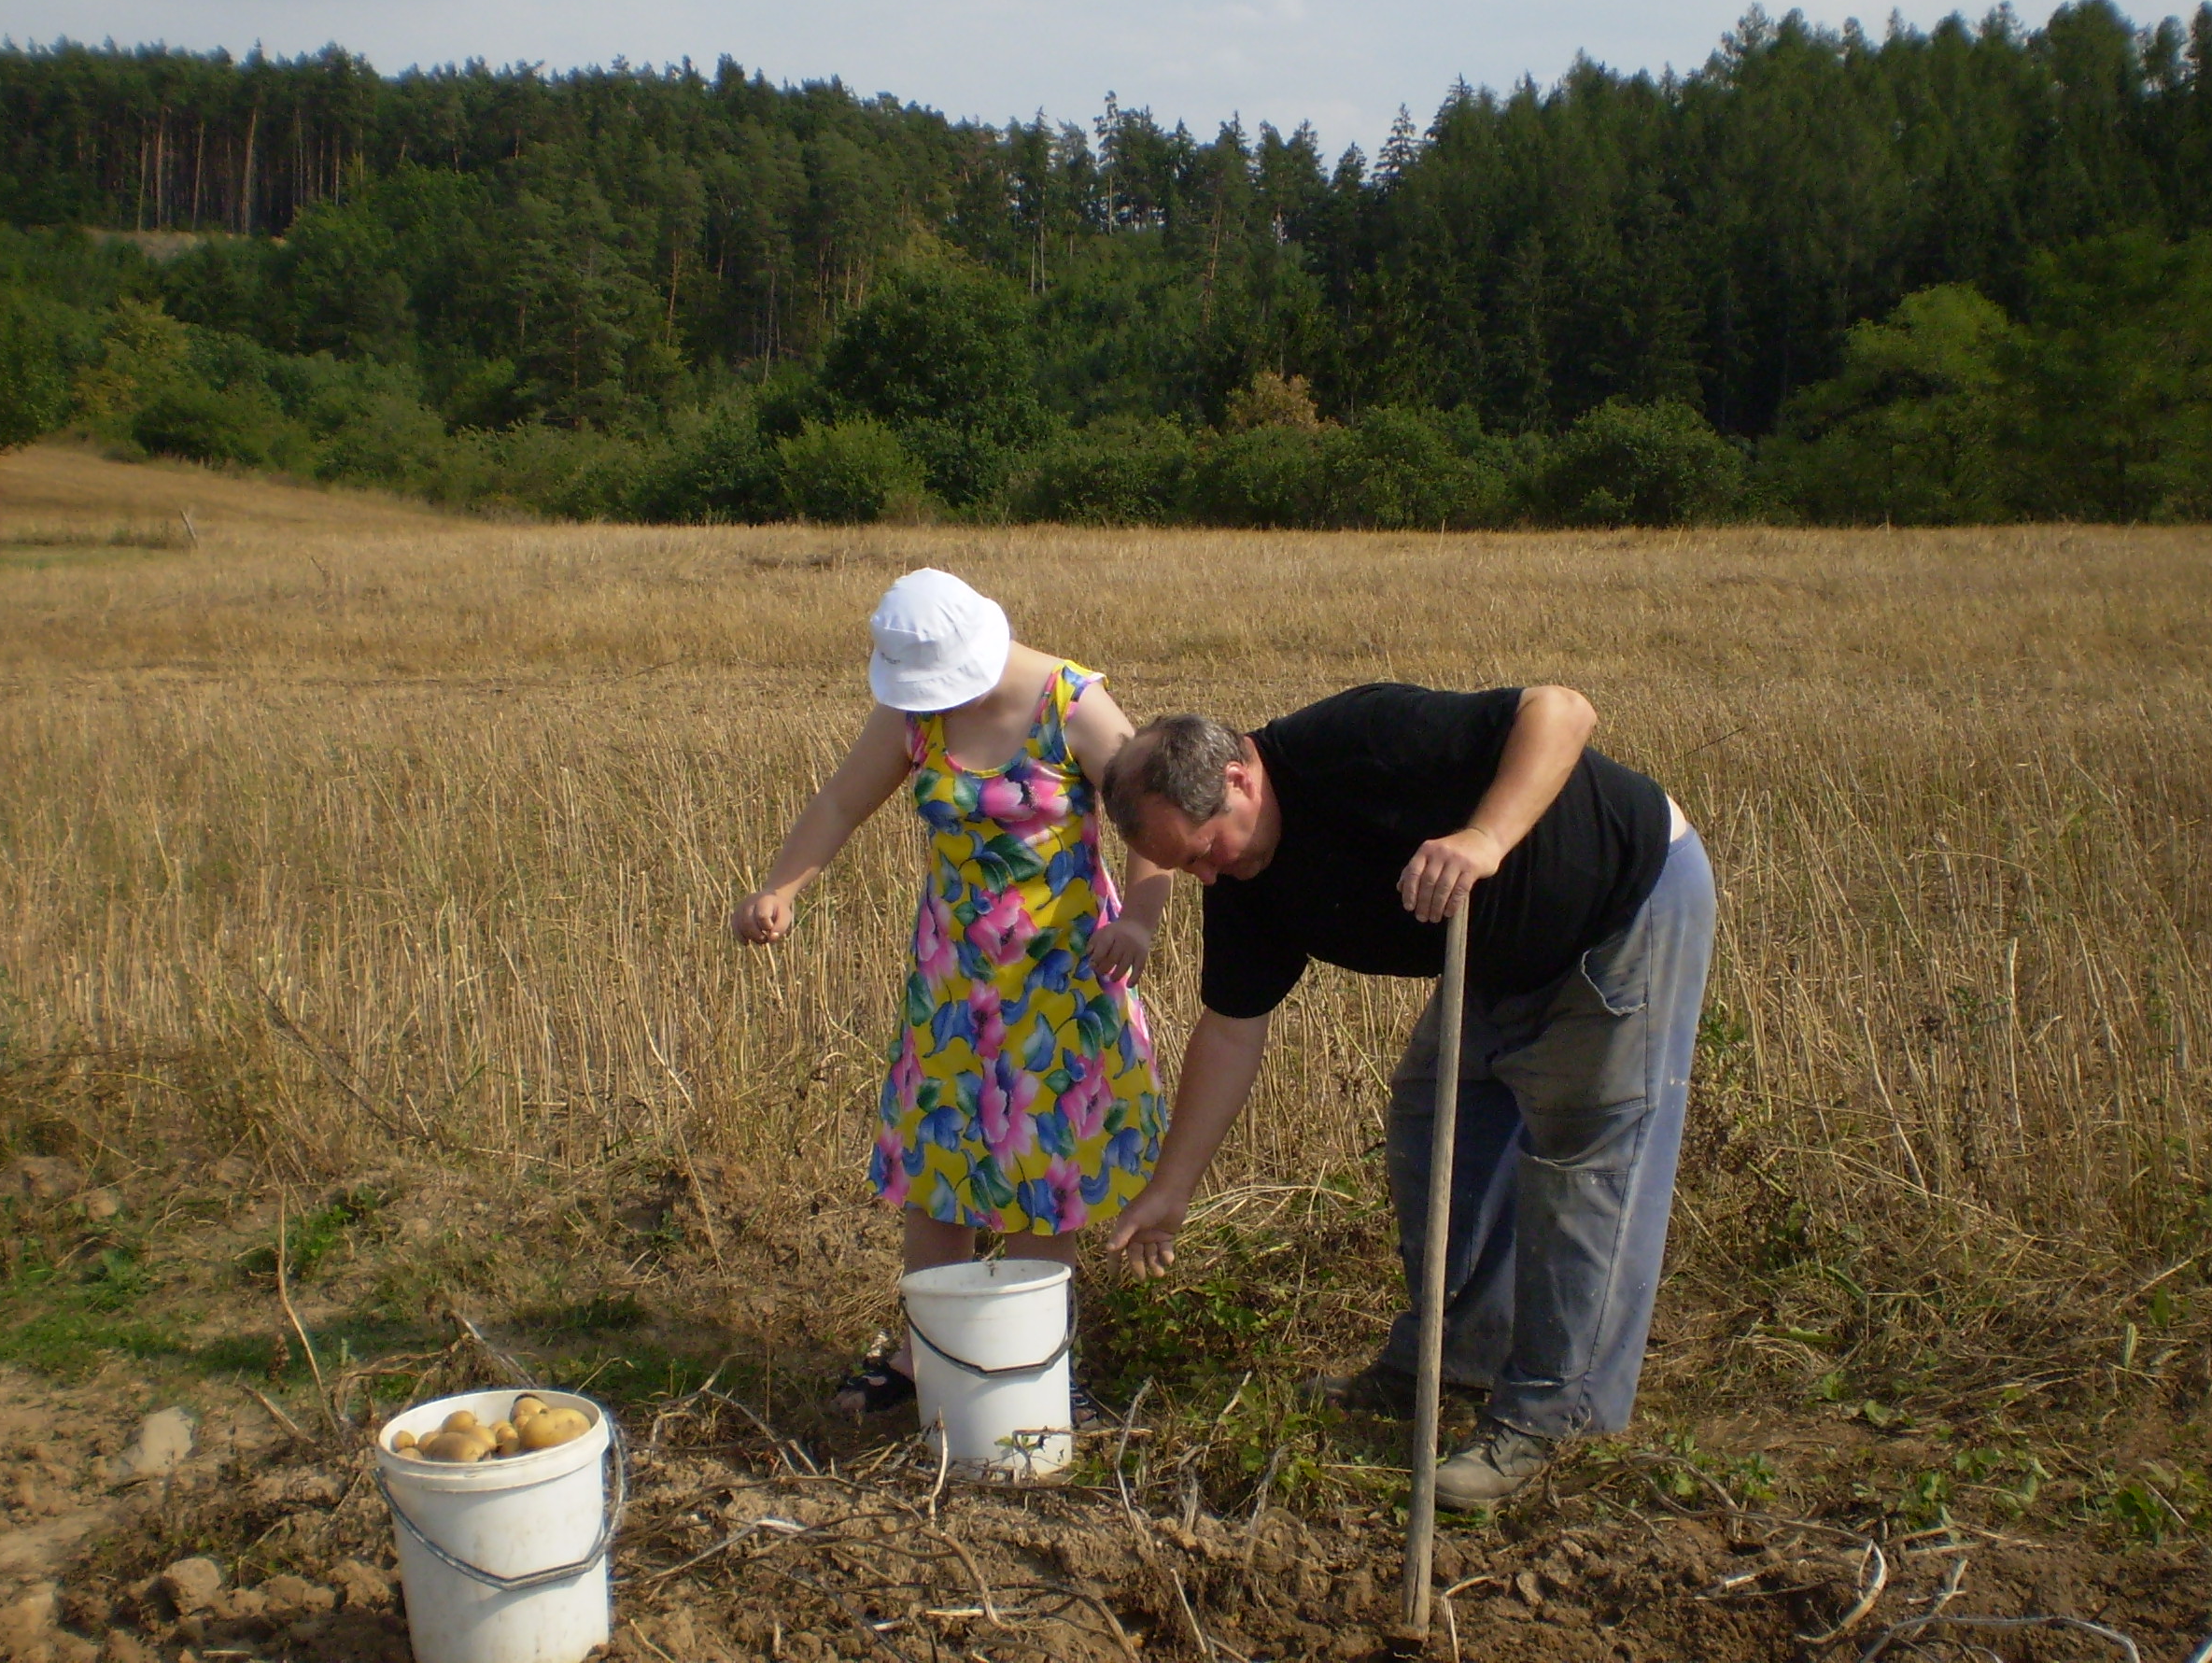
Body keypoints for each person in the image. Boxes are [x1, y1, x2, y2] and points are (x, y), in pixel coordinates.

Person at [1098, 684, 1715, 1506]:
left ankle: (1553, 1417)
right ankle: (1454, 1358)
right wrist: (1172, 1190)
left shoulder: (1357, 740)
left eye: (1207, 849)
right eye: (1189, 868)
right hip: (1498, 950)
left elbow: (1563, 710)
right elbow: (1232, 1031)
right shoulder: (1243, 877)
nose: (1210, 874)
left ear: (1240, 778)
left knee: (1585, 1168)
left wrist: (1484, 837)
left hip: (1615, 903)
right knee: (1435, 1126)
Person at [733, 568, 1168, 1416]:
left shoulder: (1072, 704)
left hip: (1061, 983)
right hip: (952, 982)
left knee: (1043, 1169)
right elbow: (840, 802)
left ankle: (1036, 1366)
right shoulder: (914, 712)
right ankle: (924, 1357)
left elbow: (1153, 817)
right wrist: (780, 888)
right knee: (937, 1159)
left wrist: (1143, 922)